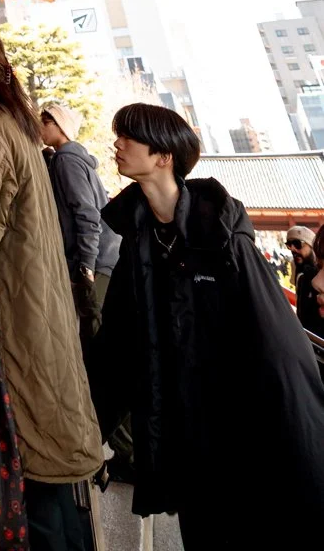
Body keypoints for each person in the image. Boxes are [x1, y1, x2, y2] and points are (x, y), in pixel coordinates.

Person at [90, 102, 324, 546]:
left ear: (164, 157)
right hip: (181, 431)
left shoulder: (220, 235)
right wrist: (85, 432)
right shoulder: (136, 237)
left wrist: (303, 438)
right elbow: (117, 345)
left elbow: (275, 341)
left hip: (237, 428)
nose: (116, 144)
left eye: (128, 137)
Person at [0, 14, 102, 551]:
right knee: (48, 477)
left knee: (32, 477)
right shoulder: (17, 121)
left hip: (10, 311)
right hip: (36, 303)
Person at [40, 103, 120, 346]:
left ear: (59, 125)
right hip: (102, 255)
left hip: (95, 260)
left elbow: (86, 215)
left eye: (45, 122)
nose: (40, 128)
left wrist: (86, 266)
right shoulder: (70, 158)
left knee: (93, 334)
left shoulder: (66, 160)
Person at [287, 225, 320, 331]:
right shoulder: (299, 270)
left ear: (311, 246)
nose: (292, 249)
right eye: (289, 245)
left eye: (297, 244)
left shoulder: (317, 274)